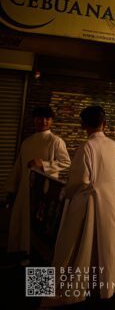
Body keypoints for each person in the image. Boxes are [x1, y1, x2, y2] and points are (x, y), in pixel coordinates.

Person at [49, 106, 115, 305]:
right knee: (105, 244)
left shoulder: (86, 146)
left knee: (74, 245)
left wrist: (67, 192)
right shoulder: (114, 145)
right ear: (103, 123)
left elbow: (81, 178)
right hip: (110, 199)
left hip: (89, 199)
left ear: (83, 125)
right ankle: (104, 287)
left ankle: (72, 289)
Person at [5, 106, 70, 260]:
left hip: (44, 191)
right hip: (25, 188)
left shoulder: (55, 141)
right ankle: (21, 253)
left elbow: (66, 162)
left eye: (47, 118)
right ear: (34, 120)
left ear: (52, 121)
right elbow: (18, 167)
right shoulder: (27, 142)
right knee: (22, 222)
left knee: (39, 227)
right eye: (40, 118)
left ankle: (36, 261)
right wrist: (11, 189)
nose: (43, 121)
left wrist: (44, 164)